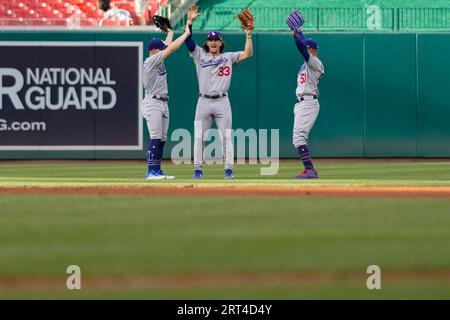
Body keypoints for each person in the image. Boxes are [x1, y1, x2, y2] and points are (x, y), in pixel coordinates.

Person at [184, 5, 253, 179]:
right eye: (210, 40)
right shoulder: (199, 55)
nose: (213, 42)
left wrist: (248, 35)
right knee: (199, 138)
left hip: (222, 101)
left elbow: (248, 53)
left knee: (226, 138)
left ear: (221, 43)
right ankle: (198, 170)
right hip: (204, 101)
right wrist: (189, 22)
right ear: (207, 43)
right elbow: (188, 41)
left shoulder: (228, 57)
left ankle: (229, 171)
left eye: (216, 40)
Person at [142, 24, 191, 179]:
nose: (164, 48)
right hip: (153, 102)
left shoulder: (157, 57)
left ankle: (157, 170)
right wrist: (185, 34)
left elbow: (168, 46)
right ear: (155, 50)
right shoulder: (150, 61)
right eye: (161, 48)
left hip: (163, 102)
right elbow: (171, 48)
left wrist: (170, 32)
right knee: (155, 137)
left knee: (162, 139)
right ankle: (151, 171)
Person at [291, 27, 324, 179]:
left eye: (307, 47)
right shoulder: (308, 62)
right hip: (302, 103)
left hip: (308, 102)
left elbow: (301, 48)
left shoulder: (315, 62)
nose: (306, 48)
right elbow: (303, 45)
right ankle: (309, 170)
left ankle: (309, 170)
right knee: (298, 137)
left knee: (298, 137)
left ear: (312, 50)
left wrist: (295, 37)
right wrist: (299, 31)